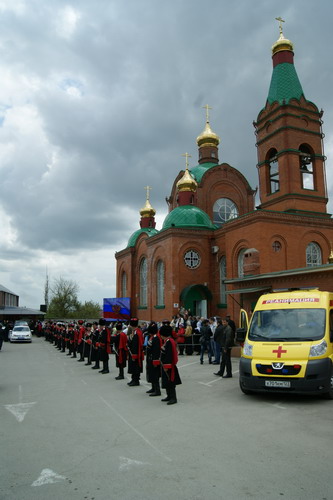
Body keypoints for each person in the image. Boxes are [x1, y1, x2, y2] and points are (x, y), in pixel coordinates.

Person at [160, 323, 182, 405]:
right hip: (165, 364)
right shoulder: (167, 341)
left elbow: (169, 355)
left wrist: (166, 366)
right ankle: (168, 395)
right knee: (166, 381)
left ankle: (173, 397)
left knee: (171, 381)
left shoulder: (169, 342)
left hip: (169, 366)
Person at [145, 322, 162, 396]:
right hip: (150, 358)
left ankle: (157, 390)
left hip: (154, 358)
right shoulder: (152, 337)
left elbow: (156, 351)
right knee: (151, 373)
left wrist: (155, 361)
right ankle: (153, 388)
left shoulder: (156, 339)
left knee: (155, 375)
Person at [127, 318, 144, 386]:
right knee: (133, 366)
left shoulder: (137, 332)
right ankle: (133, 378)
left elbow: (136, 344)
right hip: (133, 352)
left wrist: (134, 355)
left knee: (135, 366)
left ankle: (136, 380)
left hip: (136, 353)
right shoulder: (135, 331)